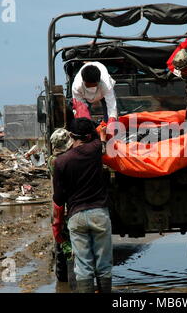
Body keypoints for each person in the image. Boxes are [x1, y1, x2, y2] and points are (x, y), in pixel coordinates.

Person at [52, 117, 113, 293]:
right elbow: (100, 141)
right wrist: (100, 132)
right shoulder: (94, 150)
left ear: (71, 135)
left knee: (83, 267)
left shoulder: (60, 162)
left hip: (76, 217)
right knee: (103, 264)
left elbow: (58, 198)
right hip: (99, 214)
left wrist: (57, 225)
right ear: (88, 136)